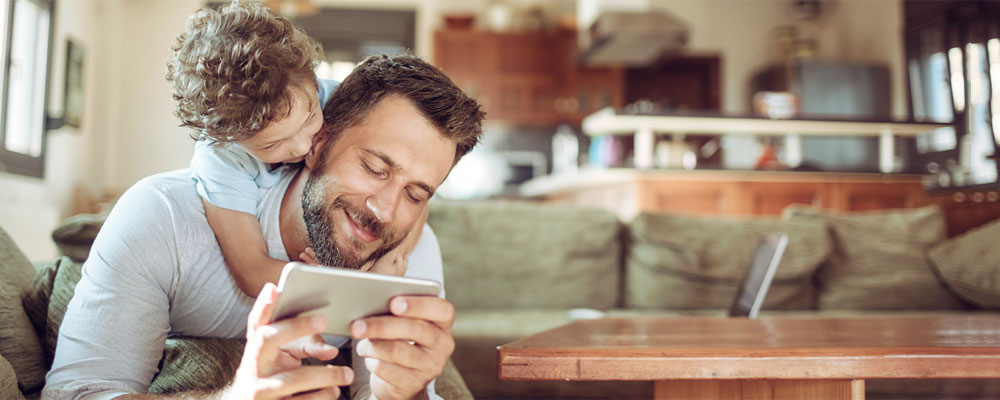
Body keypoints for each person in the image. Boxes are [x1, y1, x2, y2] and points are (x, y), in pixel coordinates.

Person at [43, 53, 485, 400]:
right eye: (374, 167)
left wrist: (406, 396)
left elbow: (386, 391)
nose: (386, 210)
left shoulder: (409, 250)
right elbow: (78, 392)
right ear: (317, 143)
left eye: (415, 194)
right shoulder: (164, 216)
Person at [168, 1, 426, 298]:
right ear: (230, 140)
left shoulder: (340, 101)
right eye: (272, 144)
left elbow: (414, 184)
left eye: (310, 118)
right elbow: (252, 271)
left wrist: (384, 267)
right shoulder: (221, 158)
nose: (304, 145)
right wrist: (336, 280)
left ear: (313, 81)